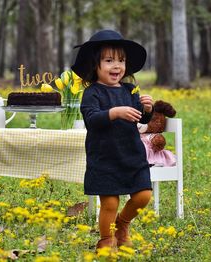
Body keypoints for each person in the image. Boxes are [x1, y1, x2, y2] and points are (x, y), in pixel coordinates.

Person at [71, 29, 154, 250]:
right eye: (109, 60)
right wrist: (114, 112)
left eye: (121, 60)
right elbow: (91, 119)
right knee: (109, 203)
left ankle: (122, 224)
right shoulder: (93, 93)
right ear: (94, 65)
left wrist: (147, 108)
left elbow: (141, 117)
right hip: (105, 157)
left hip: (131, 154)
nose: (116, 66)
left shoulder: (130, 90)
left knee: (143, 195)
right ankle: (106, 240)